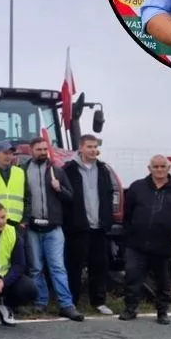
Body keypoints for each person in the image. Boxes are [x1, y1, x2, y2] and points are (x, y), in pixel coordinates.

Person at [120, 155, 171, 324]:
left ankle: (162, 312)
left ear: (168, 168)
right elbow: (127, 213)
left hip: (164, 245)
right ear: (149, 168)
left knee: (164, 281)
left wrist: (169, 230)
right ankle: (130, 309)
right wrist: (132, 233)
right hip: (137, 245)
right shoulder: (137, 187)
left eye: (162, 167)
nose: (159, 170)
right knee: (132, 277)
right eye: (155, 167)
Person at [20, 137, 84, 322]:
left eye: (44, 149)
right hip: (32, 227)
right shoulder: (23, 171)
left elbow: (70, 196)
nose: (42, 152)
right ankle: (40, 302)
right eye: (38, 149)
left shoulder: (57, 170)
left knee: (58, 267)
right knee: (36, 268)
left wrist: (59, 189)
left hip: (53, 228)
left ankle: (66, 305)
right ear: (31, 150)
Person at [63, 134, 116, 315]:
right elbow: (66, 198)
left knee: (99, 265)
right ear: (81, 148)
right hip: (78, 227)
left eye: (95, 147)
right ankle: (73, 301)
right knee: (74, 265)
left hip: (99, 227)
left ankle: (99, 301)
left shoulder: (103, 170)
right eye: (89, 147)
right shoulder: (69, 170)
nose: (93, 150)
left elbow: (109, 195)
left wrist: (107, 220)